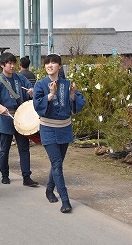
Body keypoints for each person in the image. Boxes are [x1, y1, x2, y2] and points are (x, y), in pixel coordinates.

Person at [33, 53, 86, 213]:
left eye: (53, 63)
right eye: (47, 63)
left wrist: (71, 96)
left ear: (59, 66)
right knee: (57, 164)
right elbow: (37, 104)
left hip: (65, 128)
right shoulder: (40, 84)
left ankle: (49, 189)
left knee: (58, 164)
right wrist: (50, 95)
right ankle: (65, 200)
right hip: (48, 129)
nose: (50, 65)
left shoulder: (68, 84)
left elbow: (79, 102)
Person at [0, 52, 38, 187]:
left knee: (24, 147)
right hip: (5, 117)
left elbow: (31, 88)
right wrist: (0, 107)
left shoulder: (20, 78)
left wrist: (31, 92)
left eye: (13, 63)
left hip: (20, 117)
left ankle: (26, 176)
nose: (12, 65)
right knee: (5, 148)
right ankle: (4, 174)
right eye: (9, 63)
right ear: (2, 65)